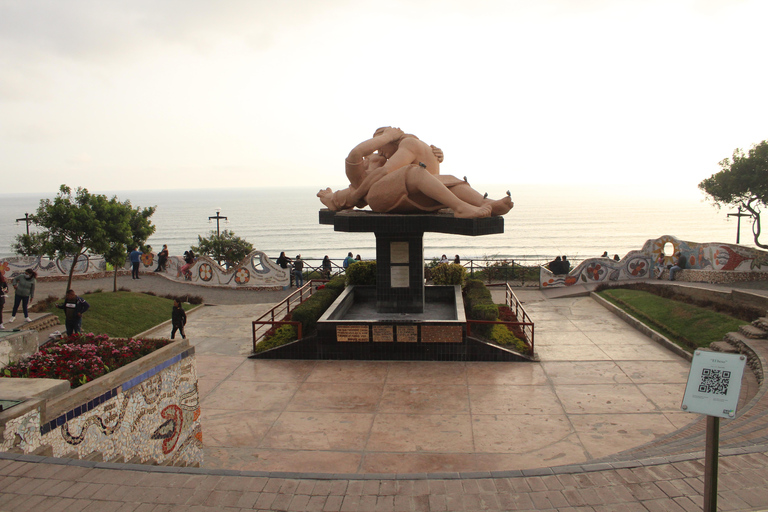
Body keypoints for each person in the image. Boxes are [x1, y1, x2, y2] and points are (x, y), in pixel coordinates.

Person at [318, 127, 513, 219]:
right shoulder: (359, 172)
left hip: (402, 196)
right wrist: (387, 136)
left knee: (450, 181)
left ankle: (486, 203)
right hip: (379, 198)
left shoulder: (390, 166)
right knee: (415, 172)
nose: (379, 153)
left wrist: (436, 155)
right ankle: (461, 208)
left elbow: (418, 174)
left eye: (381, 149)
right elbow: (356, 154)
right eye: (374, 152)